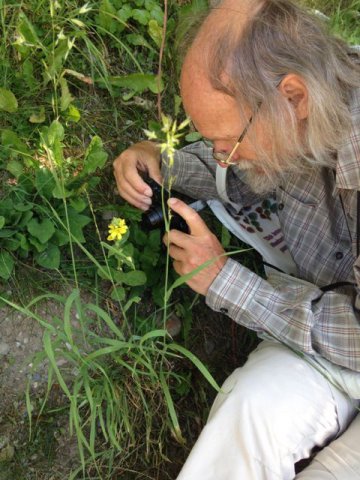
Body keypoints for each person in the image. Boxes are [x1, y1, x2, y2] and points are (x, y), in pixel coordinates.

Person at [113, 0, 360, 478]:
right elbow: (243, 172)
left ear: (293, 97)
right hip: (323, 333)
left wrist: (227, 281)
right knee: (249, 410)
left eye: (228, 142)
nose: (222, 158)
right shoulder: (302, 105)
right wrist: (162, 161)